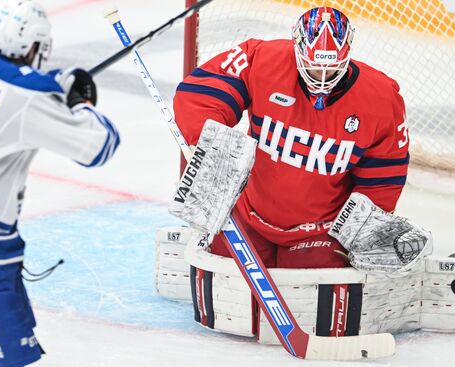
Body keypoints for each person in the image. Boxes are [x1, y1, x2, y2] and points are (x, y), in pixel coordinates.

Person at [0, 1, 120, 366]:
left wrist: (51, 87)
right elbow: (99, 145)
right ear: (34, 46)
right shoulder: (28, 95)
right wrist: (81, 101)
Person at [173, 6, 409, 270]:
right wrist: (208, 143)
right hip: (248, 215)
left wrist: (365, 230)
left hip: (322, 234)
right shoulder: (262, 59)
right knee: (219, 275)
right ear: (297, 46)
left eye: (330, 69)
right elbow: (201, 93)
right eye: (312, 65)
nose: (320, 79)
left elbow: (383, 178)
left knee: (312, 297)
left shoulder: (381, 98)